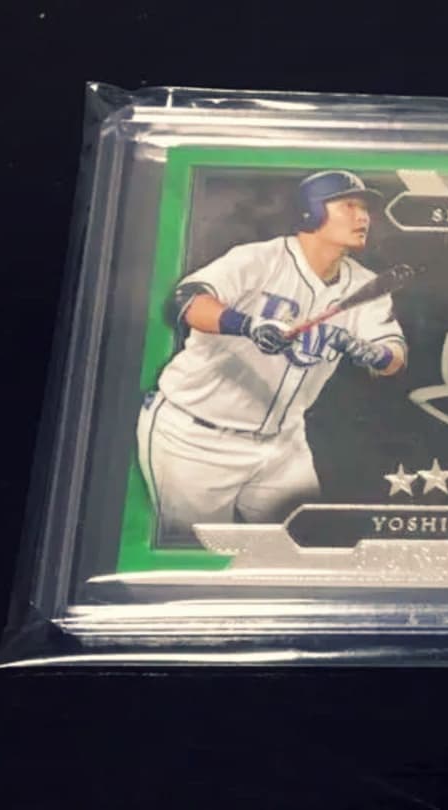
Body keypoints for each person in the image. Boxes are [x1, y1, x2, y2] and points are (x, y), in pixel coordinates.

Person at [136, 170, 407, 544]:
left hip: (283, 445)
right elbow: (186, 302)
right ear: (312, 212)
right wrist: (247, 325)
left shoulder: (366, 285)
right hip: (195, 436)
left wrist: (374, 354)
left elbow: (395, 358)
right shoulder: (260, 260)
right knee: (199, 554)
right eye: (350, 206)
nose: (363, 217)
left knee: (307, 547)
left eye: (365, 209)